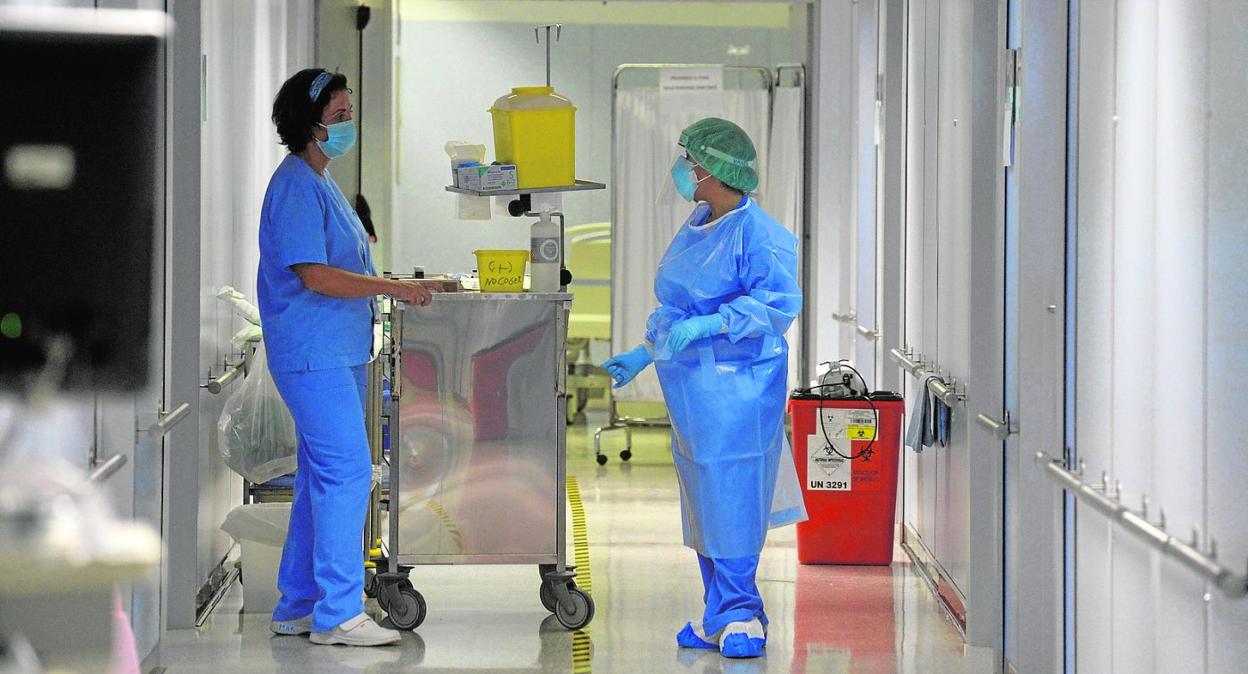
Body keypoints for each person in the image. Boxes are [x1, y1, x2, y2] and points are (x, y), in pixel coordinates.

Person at [602, 118, 806, 659]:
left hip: (741, 389)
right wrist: (645, 353)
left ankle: (742, 612)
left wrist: (711, 326)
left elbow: (777, 305)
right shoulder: (699, 224)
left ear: (708, 170)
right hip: (694, 391)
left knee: (734, 495)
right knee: (704, 500)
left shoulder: (760, 235)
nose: (681, 169)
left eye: (686, 160)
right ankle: (719, 612)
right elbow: (680, 306)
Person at [258, 68, 432, 647]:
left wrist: (397, 283)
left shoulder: (321, 181)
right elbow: (314, 275)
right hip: (314, 356)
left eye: (349, 114)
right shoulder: (294, 186)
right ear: (309, 126)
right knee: (349, 472)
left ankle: (300, 604)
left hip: (335, 352)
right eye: (339, 117)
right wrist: (388, 289)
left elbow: (347, 265)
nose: (347, 126)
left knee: (319, 478)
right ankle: (337, 614)